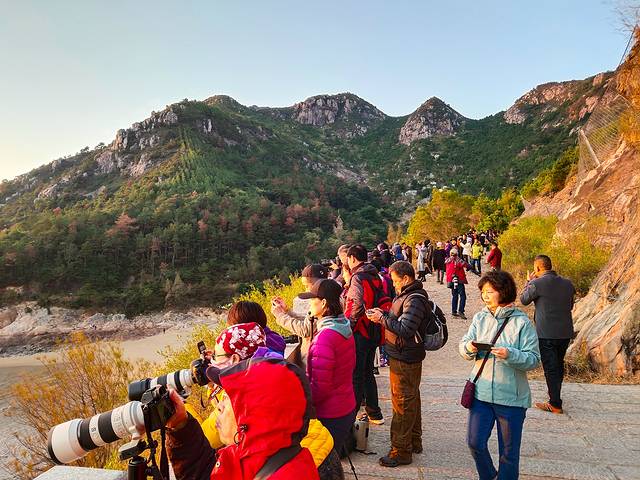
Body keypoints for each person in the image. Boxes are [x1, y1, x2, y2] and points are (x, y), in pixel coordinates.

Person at [166, 354, 321, 480]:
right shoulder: (256, 456)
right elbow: (206, 472)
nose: (219, 406)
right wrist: (181, 425)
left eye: (227, 398)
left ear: (254, 415)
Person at [459, 270, 540, 480]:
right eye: (483, 292)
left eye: (490, 291)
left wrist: (510, 354)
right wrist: (469, 347)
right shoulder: (480, 317)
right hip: (481, 394)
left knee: (509, 454)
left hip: (511, 397)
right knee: (474, 442)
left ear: (503, 292)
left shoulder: (522, 323)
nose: (485, 296)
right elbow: (464, 345)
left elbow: (534, 359)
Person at [367, 261, 427, 467]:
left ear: (406, 278)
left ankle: (400, 451)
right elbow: (400, 320)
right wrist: (384, 315)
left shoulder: (414, 299)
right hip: (404, 354)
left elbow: (406, 329)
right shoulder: (407, 295)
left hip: (405, 356)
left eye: (395, 281)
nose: (393, 284)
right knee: (411, 398)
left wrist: (381, 319)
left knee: (402, 402)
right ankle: (414, 440)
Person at [299, 279, 356, 453]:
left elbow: (320, 388)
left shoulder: (325, 338)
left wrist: (302, 404)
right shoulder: (343, 326)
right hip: (345, 404)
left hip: (330, 413)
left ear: (323, 303)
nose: (309, 304)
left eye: (312, 299)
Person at [520, 255, 576, 414]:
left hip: (546, 332)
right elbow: (570, 305)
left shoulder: (536, 284)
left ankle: (555, 403)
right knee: (558, 364)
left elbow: (524, 300)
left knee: (550, 367)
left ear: (537, 268)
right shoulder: (568, 283)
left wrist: (529, 282)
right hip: (565, 332)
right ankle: (555, 395)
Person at [344, 244, 388, 425]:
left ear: (352, 258)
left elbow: (356, 304)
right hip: (374, 328)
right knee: (368, 372)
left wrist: (350, 326)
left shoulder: (357, 277)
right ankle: (374, 413)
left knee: (356, 375)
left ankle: (351, 417)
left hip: (361, 330)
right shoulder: (374, 274)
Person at [272, 264, 329, 369]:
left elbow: (305, 330)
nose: (306, 290)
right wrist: (287, 311)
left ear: (318, 283)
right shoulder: (327, 299)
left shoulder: (323, 303)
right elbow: (310, 321)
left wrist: (280, 316)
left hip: (315, 363)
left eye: (307, 285)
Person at [445, 248, 472, 319]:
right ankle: (461, 311)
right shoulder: (457, 260)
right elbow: (466, 265)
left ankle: (454, 311)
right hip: (458, 280)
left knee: (455, 295)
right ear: (457, 254)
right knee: (463, 296)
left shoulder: (448, 260)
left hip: (450, 280)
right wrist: (470, 267)